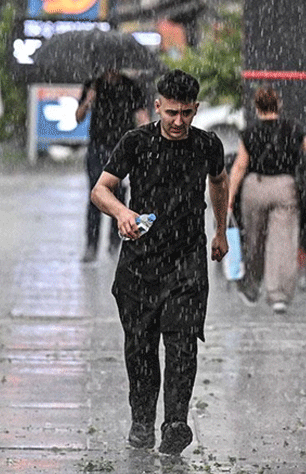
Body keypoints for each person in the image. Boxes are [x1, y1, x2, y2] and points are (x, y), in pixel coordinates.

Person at [90, 69, 229, 455]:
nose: (179, 121)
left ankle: (176, 423)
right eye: (171, 112)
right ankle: (141, 419)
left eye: (186, 112)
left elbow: (219, 181)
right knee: (140, 347)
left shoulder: (207, 145)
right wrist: (121, 213)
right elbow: (101, 189)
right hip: (140, 261)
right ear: (157, 106)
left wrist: (221, 229)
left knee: (183, 344)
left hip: (187, 259)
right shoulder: (136, 142)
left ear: (196, 109)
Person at [228, 86, 306, 314]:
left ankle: (252, 286)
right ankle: (278, 295)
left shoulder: (250, 132)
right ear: (279, 105)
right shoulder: (293, 128)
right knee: (282, 242)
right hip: (285, 187)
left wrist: (228, 197)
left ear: (257, 108)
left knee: (254, 241)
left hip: (255, 186)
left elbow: (240, 166)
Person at [77, 67, 150, 263]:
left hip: (123, 149)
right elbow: (78, 117)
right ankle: (91, 245)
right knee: (96, 196)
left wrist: (149, 138)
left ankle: (115, 244)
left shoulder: (131, 87)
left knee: (118, 198)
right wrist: (88, 100)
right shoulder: (93, 84)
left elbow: (141, 115)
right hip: (97, 147)